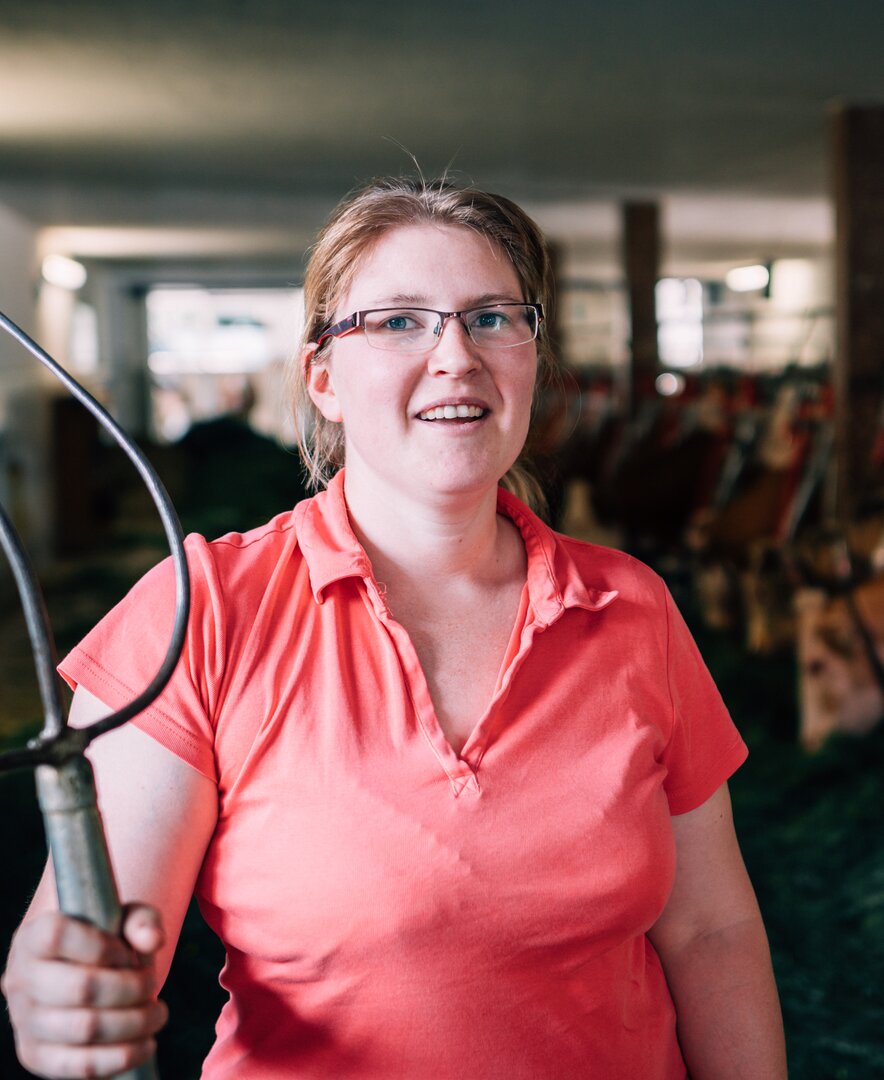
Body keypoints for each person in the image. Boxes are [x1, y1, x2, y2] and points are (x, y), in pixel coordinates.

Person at [2, 176, 787, 1079]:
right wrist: (60, 991)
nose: (456, 355)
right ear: (323, 378)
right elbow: (88, 931)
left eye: (493, 317)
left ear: (533, 357)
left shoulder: (630, 607)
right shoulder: (202, 610)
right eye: (399, 321)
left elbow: (711, 928)